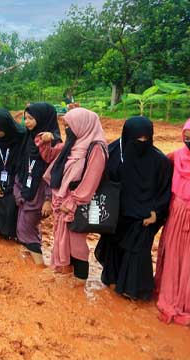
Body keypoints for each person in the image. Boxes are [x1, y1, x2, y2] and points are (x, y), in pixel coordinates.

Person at [94, 116, 172, 300]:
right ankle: (112, 279)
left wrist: (156, 212)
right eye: (137, 139)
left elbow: (165, 189)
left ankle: (133, 289)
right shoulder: (112, 152)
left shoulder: (159, 161)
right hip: (116, 213)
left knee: (137, 251)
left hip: (143, 217)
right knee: (114, 246)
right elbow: (100, 181)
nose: (142, 143)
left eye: (146, 139)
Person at [38, 107, 107, 282]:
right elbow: (50, 156)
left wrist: (72, 202)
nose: (67, 129)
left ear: (81, 125)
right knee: (64, 238)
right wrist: (46, 141)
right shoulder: (72, 144)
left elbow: (91, 179)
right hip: (63, 202)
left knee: (77, 242)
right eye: (65, 125)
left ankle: (80, 280)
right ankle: (68, 273)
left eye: (69, 125)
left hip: (78, 203)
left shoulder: (96, 147)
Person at [14, 103, 61, 265]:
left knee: (26, 227)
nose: (26, 122)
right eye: (25, 118)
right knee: (26, 226)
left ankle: (40, 267)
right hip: (27, 189)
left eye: (31, 119)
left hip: (40, 192)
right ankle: (32, 261)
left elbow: (53, 173)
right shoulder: (29, 136)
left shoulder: (52, 143)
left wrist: (48, 199)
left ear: (42, 119)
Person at [155, 118, 190, 324]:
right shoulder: (176, 157)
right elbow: (157, 169)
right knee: (174, 256)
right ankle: (170, 295)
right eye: (187, 138)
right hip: (177, 216)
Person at [0, 109, 25, 240]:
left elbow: (24, 162)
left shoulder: (21, 136)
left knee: (12, 205)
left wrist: (14, 183)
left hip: (16, 178)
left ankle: (14, 235)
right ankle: (0, 234)